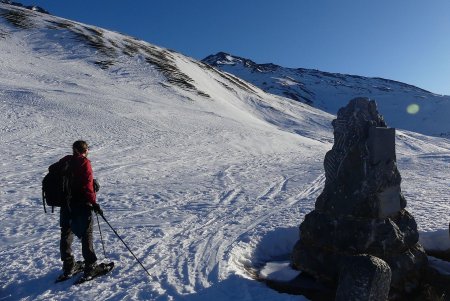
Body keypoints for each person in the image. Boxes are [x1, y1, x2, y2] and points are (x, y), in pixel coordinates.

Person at [50, 140, 103, 279]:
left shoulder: (66, 160)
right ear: (86, 150)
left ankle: (68, 267)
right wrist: (94, 203)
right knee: (86, 233)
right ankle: (90, 266)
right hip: (81, 204)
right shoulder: (84, 163)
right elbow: (87, 186)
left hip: (65, 204)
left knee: (66, 232)